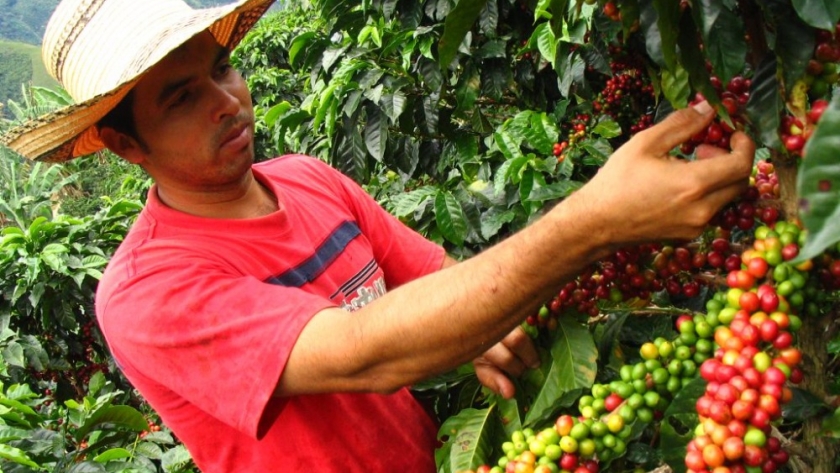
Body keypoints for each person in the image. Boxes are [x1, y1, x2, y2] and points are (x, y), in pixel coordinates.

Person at [1, 0, 755, 471]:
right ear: (128, 147)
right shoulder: (146, 292)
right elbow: (369, 352)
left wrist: (493, 325)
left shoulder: (307, 177)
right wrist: (591, 222)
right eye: (181, 99)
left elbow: (435, 283)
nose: (227, 103)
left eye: (224, 69)